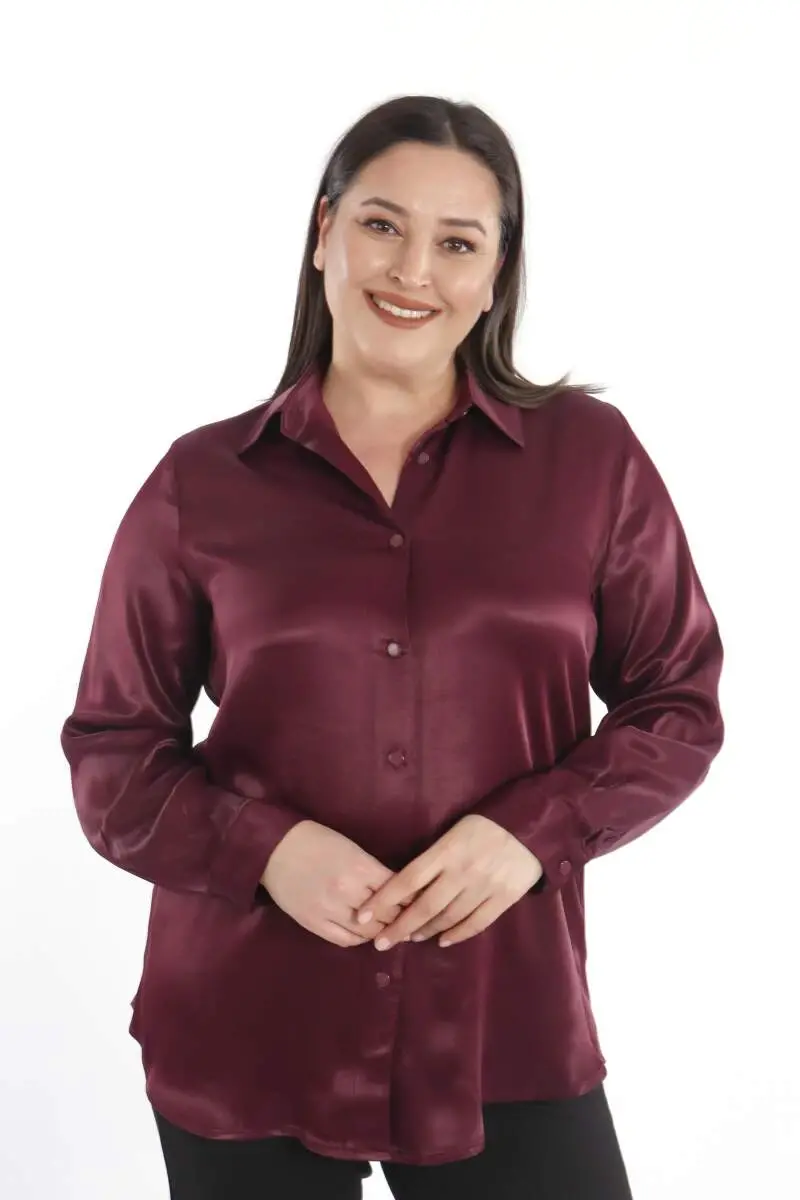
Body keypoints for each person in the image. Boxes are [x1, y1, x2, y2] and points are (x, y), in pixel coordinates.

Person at [60, 93, 724, 1199]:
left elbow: (678, 700)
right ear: (324, 232)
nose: (413, 269)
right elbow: (112, 752)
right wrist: (266, 852)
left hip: (503, 1022)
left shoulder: (591, 459)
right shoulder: (201, 482)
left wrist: (531, 833)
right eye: (381, 224)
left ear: (496, 274)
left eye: (457, 242)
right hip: (245, 1024)